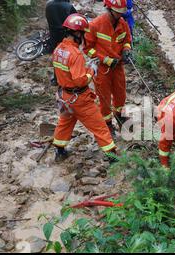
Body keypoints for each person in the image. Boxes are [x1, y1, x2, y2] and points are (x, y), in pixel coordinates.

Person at [52, 13, 119, 162]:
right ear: (77, 33)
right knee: (99, 126)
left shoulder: (58, 50)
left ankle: (59, 150)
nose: (83, 38)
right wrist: (92, 70)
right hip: (80, 99)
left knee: (65, 123)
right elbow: (80, 81)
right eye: (82, 34)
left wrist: (85, 68)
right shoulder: (75, 54)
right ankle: (112, 155)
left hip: (65, 96)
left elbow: (63, 73)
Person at [84, 0, 132, 136]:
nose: (120, 15)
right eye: (118, 12)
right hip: (102, 69)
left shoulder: (122, 23)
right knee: (104, 98)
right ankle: (107, 124)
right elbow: (88, 49)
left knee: (120, 94)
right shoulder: (95, 25)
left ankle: (120, 116)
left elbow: (127, 40)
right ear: (109, 9)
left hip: (118, 66)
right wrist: (105, 59)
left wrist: (126, 50)